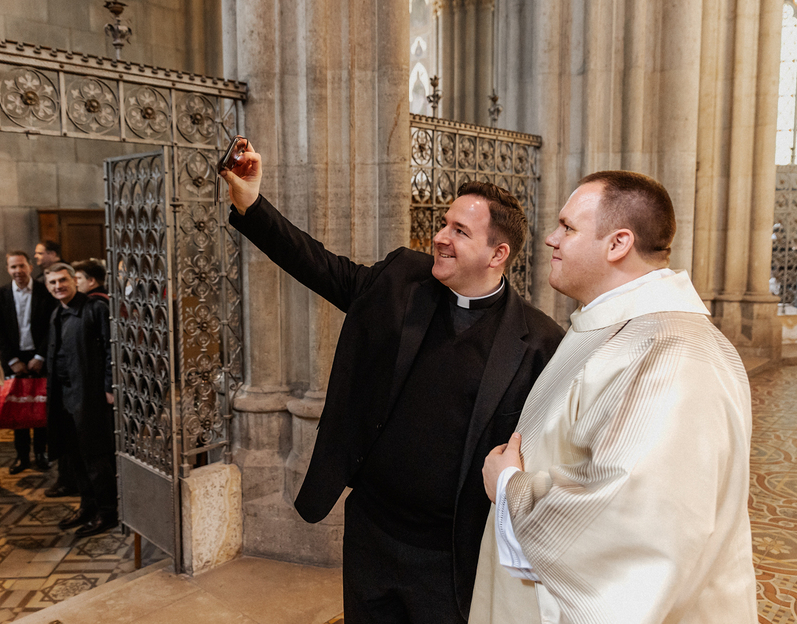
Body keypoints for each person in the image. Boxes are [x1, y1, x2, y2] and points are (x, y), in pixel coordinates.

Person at [220, 144, 563, 624]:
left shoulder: (540, 342)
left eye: (459, 231)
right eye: (444, 224)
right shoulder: (402, 280)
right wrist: (251, 204)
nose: (440, 237)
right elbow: (320, 266)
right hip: (372, 532)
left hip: (452, 554)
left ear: (497, 253)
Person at [471, 171, 756, 623]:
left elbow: (636, 527)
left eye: (567, 227)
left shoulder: (671, 353)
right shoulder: (612, 325)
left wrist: (509, 487)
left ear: (618, 243)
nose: (551, 238)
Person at [45, 263, 117, 537]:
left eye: (62, 280)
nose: (58, 286)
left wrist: (109, 386)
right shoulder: (57, 312)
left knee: (96, 456)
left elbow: (112, 349)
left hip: (89, 395)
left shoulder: (95, 308)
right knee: (74, 454)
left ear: (74, 281)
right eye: (52, 282)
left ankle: (107, 512)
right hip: (64, 395)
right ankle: (88, 505)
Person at [0, 251, 56, 474]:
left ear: (29, 266)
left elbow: (51, 327)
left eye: (21, 266)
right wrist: (12, 360)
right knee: (17, 408)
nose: (17, 271)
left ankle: (41, 453)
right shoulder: (0, 294)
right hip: (14, 359)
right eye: (13, 267)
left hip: (39, 357)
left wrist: (40, 357)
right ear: (7, 269)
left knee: (39, 406)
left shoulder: (44, 291)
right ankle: (21, 456)